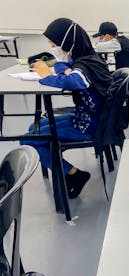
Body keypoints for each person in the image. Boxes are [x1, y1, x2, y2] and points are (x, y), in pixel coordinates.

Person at [21, 18, 112, 198]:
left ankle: (75, 174)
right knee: (34, 129)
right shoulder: (85, 57)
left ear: (68, 44)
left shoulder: (86, 64)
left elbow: (75, 80)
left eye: (54, 44)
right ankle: (58, 163)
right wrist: (63, 67)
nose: (52, 48)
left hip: (90, 125)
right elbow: (64, 65)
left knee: (28, 140)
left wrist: (46, 76)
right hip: (86, 117)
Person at [94, 21, 129, 92]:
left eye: (101, 37)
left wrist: (101, 42)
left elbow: (98, 47)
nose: (100, 39)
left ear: (107, 36)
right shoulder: (121, 39)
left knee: (102, 75)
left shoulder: (116, 43)